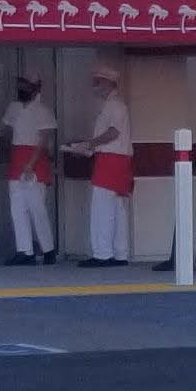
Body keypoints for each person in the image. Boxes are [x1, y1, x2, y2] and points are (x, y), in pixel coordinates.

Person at [72, 66, 134, 267]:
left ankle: (102, 253)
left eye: (98, 82)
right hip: (118, 161)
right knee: (118, 209)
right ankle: (120, 253)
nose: (95, 86)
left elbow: (113, 133)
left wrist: (90, 144)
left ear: (109, 83)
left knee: (102, 208)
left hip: (110, 160)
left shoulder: (115, 106)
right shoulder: (114, 105)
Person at [0, 74, 58, 265]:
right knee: (18, 209)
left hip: (35, 164)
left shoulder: (43, 111)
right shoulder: (13, 108)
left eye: (26, 86)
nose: (22, 89)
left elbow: (44, 140)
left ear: (36, 88)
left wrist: (30, 164)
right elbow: (4, 130)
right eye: (20, 85)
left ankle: (48, 249)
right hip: (17, 161)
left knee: (37, 208)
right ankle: (24, 250)